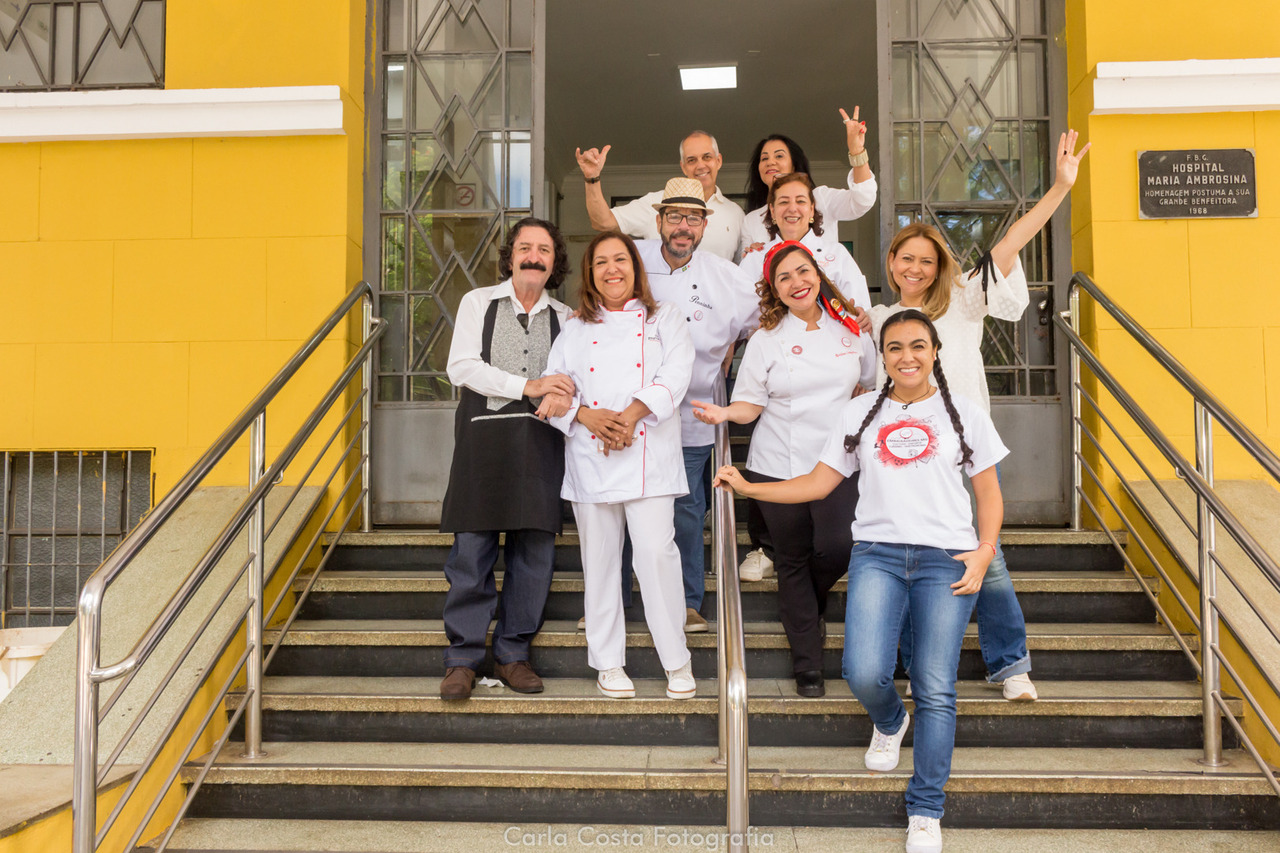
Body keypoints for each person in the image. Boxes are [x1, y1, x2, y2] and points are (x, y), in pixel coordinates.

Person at [714, 310, 1008, 853]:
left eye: (918, 346)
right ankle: (891, 720)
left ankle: (925, 809)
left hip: (946, 557)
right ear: (883, 355)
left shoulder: (963, 413)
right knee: (863, 669)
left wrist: (983, 552)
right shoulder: (858, 412)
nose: (907, 357)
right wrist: (751, 490)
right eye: (895, 348)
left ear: (935, 352)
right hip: (877, 555)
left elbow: (989, 496)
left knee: (936, 687)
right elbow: (818, 482)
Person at [870, 129, 1091, 703]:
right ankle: (914, 666)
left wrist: (1060, 188)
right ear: (892, 263)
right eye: (906, 258)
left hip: (959, 449)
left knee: (983, 556)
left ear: (938, 263)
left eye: (926, 259)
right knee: (912, 558)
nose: (915, 268)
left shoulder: (964, 296)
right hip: (901, 455)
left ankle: (1010, 662)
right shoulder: (880, 318)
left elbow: (1009, 243)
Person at [691, 241, 875, 697]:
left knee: (838, 547)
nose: (797, 282)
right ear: (774, 290)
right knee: (792, 560)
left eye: (802, 271)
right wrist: (725, 415)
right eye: (784, 278)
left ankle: (807, 612)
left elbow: (870, 386)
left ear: (818, 274)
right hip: (777, 463)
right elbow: (751, 405)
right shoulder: (765, 339)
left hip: (839, 463)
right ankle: (807, 666)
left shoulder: (852, 331)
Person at [538, 231, 697, 700]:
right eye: (601, 262)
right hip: (592, 455)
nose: (612, 269)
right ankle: (608, 663)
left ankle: (678, 660)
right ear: (590, 273)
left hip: (649, 457)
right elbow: (555, 391)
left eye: (621, 260)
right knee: (602, 563)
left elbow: (676, 375)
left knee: (656, 557)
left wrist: (628, 416)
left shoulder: (664, 316)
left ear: (635, 267)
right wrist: (589, 417)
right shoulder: (574, 327)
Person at [436, 217, 574, 702]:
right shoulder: (479, 302)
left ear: (555, 261)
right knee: (471, 552)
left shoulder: (569, 318)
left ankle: (514, 654)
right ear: (510, 254)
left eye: (544, 249)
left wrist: (564, 392)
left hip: (542, 444)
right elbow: (461, 367)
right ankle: (463, 660)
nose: (533, 255)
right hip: (482, 443)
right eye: (525, 247)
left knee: (534, 554)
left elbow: (575, 378)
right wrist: (528, 386)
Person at [634, 177, 759, 631]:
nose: (683, 227)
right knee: (628, 505)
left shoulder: (726, 276)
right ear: (659, 220)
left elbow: (762, 321)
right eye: (674, 217)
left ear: (705, 225)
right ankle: (625, 601)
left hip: (694, 414)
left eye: (692, 218)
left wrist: (733, 349)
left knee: (686, 509)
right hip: (636, 415)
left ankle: (687, 600)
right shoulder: (634, 262)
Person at [735, 171, 874, 582]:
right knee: (771, 449)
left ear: (813, 210)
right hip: (776, 365)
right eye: (783, 202)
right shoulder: (754, 257)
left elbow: (857, 312)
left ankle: (802, 555)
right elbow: (738, 316)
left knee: (830, 503)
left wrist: (861, 330)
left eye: (801, 200)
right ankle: (766, 545)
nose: (792, 208)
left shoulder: (834, 255)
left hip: (834, 368)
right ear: (771, 213)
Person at [576, 131, 745, 261]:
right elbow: (602, 222)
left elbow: (743, 269)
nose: (700, 165)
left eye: (707, 157)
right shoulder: (657, 202)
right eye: (692, 160)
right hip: (661, 305)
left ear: (719, 161)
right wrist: (592, 178)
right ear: (683, 167)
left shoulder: (736, 213)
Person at [738, 108, 876, 255]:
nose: (770, 162)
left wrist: (856, 151)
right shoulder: (751, 220)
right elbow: (745, 271)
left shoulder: (821, 198)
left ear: (794, 164)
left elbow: (863, 200)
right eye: (764, 158)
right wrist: (752, 257)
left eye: (779, 156)